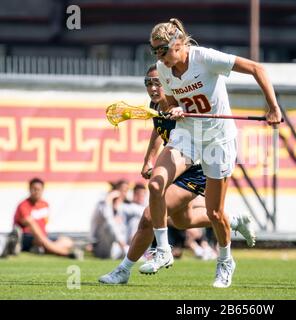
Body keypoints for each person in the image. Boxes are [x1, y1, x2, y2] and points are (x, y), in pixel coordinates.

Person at [146, 18, 281, 288]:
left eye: (162, 50)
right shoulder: (164, 69)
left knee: (215, 213)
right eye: (155, 51)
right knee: (155, 184)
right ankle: (163, 250)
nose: (159, 57)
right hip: (188, 134)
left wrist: (273, 107)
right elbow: (173, 103)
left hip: (218, 139)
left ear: (179, 44)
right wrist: (172, 109)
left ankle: (225, 261)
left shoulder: (205, 58)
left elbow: (256, 68)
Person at [98, 64, 256, 285]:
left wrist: (182, 112)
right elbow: (157, 130)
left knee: (148, 218)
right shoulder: (156, 104)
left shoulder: (182, 103)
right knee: (183, 221)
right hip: (175, 164)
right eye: (148, 83)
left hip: (195, 168)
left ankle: (124, 269)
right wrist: (148, 160)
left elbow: (202, 124)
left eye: (157, 83)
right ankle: (234, 220)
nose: (153, 88)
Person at [13, 177, 82, 259]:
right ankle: (66, 254)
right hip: (27, 237)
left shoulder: (45, 204)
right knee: (38, 235)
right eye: (34, 189)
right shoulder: (24, 205)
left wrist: (45, 240)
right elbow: (29, 223)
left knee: (67, 241)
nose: (36, 192)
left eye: (39, 189)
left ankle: (44, 249)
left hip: (44, 236)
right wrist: (42, 238)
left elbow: (44, 223)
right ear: (29, 189)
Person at [90, 180, 133, 259]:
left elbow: (141, 211)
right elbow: (107, 217)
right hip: (103, 246)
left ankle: (137, 250)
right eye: (121, 190)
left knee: (136, 220)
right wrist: (109, 199)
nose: (123, 193)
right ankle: (126, 248)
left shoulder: (125, 206)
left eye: (126, 190)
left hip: (119, 247)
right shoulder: (103, 205)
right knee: (109, 224)